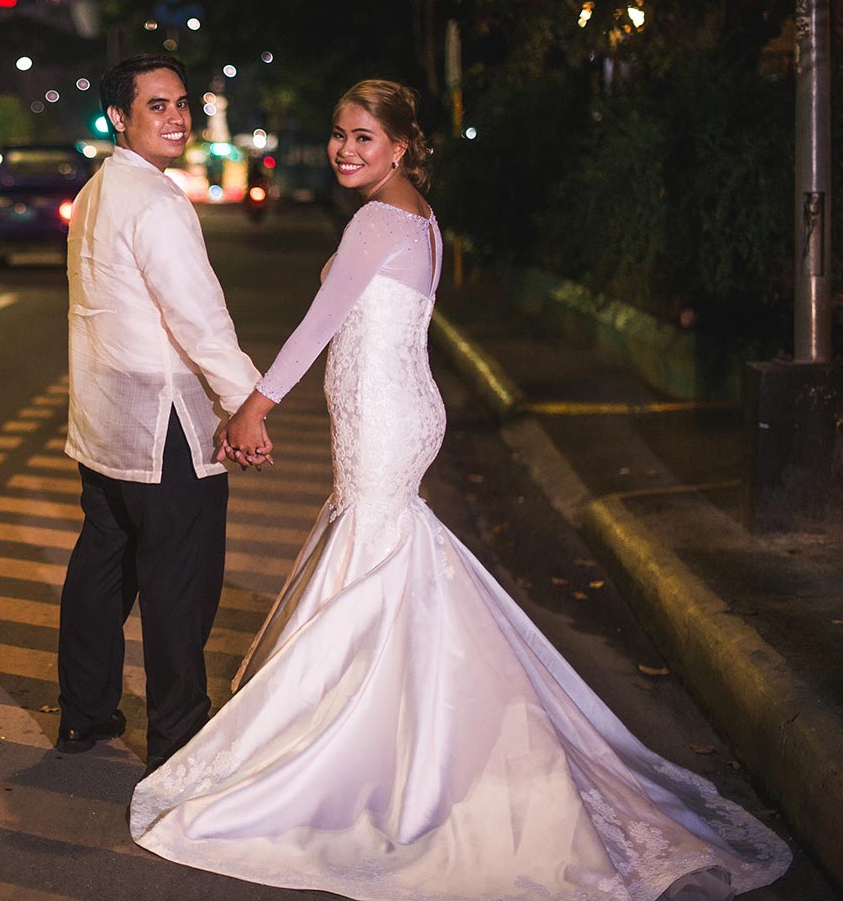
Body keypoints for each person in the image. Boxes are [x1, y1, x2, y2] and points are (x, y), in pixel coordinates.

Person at [130, 80, 792, 899]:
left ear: (401, 146)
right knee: (388, 564)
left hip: (385, 416)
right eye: (340, 134)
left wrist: (253, 407)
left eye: (364, 138)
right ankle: (397, 736)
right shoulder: (415, 211)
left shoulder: (381, 218)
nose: (345, 150)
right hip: (396, 409)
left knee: (375, 566)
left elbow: (320, 322)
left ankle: (372, 758)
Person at [56, 53, 266, 777]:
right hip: (166, 426)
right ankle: (178, 741)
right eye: (157, 105)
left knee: (102, 569)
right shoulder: (155, 201)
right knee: (178, 586)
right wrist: (246, 404)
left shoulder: (96, 192)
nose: (176, 117)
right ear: (121, 117)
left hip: (107, 422)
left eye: (181, 103)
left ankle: (85, 714)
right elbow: (200, 319)